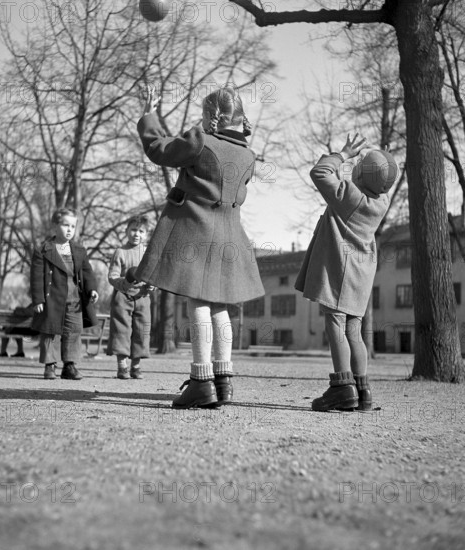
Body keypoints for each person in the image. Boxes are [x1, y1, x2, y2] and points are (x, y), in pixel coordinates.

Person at [136, 85, 265, 409]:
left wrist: (149, 116)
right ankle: (224, 381)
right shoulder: (249, 156)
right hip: (230, 237)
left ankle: (200, 381)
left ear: (212, 117)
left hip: (196, 233)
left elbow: (159, 150)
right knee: (221, 307)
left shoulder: (200, 140)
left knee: (199, 305)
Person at [295, 133, 398, 412]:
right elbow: (382, 177)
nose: (356, 165)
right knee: (354, 330)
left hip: (343, 269)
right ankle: (362, 392)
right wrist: (383, 162)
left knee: (335, 324)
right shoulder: (381, 201)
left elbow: (319, 172)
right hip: (362, 272)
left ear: (362, 176)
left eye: (361, 165)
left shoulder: (349, 196)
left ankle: (341, 389)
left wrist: (342, 155)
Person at [30, 207, 99, 380]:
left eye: (73, 226)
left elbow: (87, 272)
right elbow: (37, 277)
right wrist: (38, 299)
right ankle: (49, 365)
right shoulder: (43, 250)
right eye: (65, 225)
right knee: (50, 332)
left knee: (74, 331)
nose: (69, 230)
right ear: (54, 226)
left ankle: (69, 365)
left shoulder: (79, 250)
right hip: (52, 299)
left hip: (74, 300)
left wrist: (92, 289)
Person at [107, 215, 154, 379]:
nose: (137, 234)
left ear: (146, 234)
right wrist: (125, 282)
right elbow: (112, 276)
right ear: (126, 231)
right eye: (133, 230)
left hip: (143, 297)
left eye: (141, 231)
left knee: (141, 331)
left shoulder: (148, 253)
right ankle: (122, 366)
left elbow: (153, 275)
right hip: (123, 297)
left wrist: (151, 284)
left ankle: (136, 366)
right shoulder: (120, 252)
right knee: (121, 331)